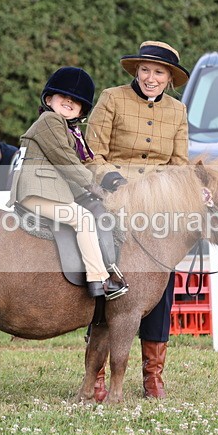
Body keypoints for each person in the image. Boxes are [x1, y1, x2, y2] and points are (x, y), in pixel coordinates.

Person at [85, 40, 189, 401]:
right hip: (113, 196)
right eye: (145, 70)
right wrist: (112, 178)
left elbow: (179, 166)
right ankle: (96, 374)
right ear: (136, 72)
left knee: (161, 277)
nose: (150, 77)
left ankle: (152, 375)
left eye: (159, 72)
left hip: (157, 205)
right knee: (106, 266)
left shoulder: (178, 111)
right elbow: (91, 152)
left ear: (169, 78)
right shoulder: (112, 99)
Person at [8, 66, 127, 300]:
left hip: (48, 190)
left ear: (82, 110)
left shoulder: (70, 130)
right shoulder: (49, 121)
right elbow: (66, 160)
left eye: (76, 101)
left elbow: (87, 160)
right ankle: (98, 279)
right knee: (83, 219)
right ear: (49, 98)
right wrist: (94, 187)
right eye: (64, 97)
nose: (69, 102)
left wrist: (107, 178)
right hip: (36, 192)